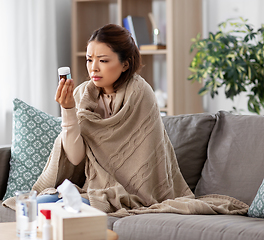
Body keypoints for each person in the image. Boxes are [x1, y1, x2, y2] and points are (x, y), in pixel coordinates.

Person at [28, 24, 247, 217]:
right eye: (89, 59)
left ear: (125, 64)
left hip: (131, 194)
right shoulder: (82, 94)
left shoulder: (140, 92)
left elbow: (143, 162)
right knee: (37, 205)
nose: (93, 67)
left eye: (103, 60)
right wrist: (68, 110)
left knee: (57, 211)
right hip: (93, 188)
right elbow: (75, 158)